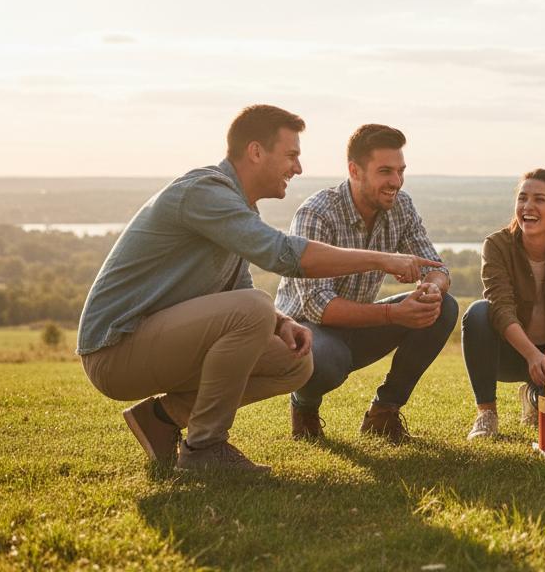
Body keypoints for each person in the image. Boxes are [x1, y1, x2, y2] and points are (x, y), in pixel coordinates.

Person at [77, 105, 440, 472]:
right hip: (115, 348)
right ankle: (204, 449)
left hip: (158, 344)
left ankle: (160, 418)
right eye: (291, 155)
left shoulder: (240, 208)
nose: (298, 168)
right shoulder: (204, 191)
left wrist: (282, 323)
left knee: (294, 362)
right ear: (255, 152)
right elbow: (282, 255)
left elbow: (238, 286)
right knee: (254, 307)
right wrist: (382, 260)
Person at [275, 124, 457, 443]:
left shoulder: (401, 206)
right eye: (385, 171)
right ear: (354, 171)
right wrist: (394, 314)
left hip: (359, 324)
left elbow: (437, 267)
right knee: (327, 361)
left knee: (443, 307)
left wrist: (432, 288)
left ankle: (383, 413)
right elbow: (318, 307)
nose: (396, 181)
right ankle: (304, 405)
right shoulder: (317, 213)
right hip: (306, 331)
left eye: (400, 171)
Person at [462, 169, 545, 440]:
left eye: (539, 199)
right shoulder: (497, 245)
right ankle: (486, 413)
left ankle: (534, 397)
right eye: (523, 198)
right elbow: (501, 308)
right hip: (509, 352)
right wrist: (532, 355)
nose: (528, 206)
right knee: (478, 312)